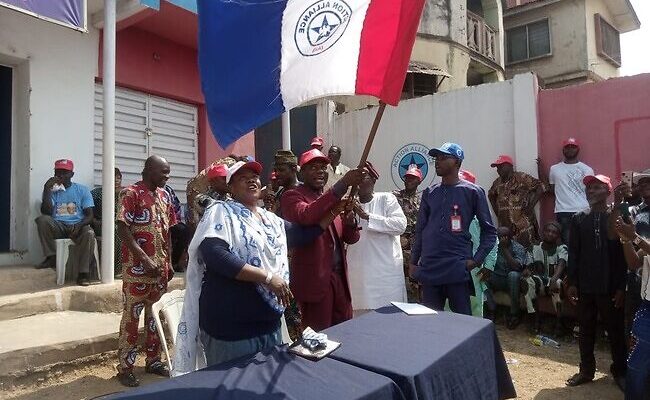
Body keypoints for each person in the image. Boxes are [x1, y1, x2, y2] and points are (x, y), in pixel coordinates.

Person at [172, 160, 340, 375]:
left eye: (254, 177)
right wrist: (268, 277)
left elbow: (302, 235)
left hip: (268, 326)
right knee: (230, 388)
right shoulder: (220, 212)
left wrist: (333, 212)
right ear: (230, 188)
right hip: (231, 329)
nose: (251, 180)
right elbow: (215, 255)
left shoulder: (270, 220)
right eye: (243, 178)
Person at [280, 149, 365, 331]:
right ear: (301, 172)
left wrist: (350, 220)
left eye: (323, 167)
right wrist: (342, 184)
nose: (320, 171)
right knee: (319, 339)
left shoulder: (330, 198)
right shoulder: (292, 196)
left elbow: (352, 238)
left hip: (339, 280)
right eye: (313, 167)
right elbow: (306, 215)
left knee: (345, 334)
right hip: (315, 284)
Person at [410, 142, 497, 315]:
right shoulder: (430, 192)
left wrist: (476, 261)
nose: (438, 162)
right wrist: (414, 262)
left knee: (461, 324)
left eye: (443, 158)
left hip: (456, 268)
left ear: (457, 162)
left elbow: (489, 232)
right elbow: (420, 230)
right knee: (430, 322)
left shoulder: (473, 192)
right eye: (436, 158)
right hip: (430, 267)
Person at [115, 155, 178, 387]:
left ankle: (153, 361)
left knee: (156, 319)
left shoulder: (165, 194)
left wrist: (169, 262)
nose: (167, 176)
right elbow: (122, 229)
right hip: (136, 272)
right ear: (149, 171)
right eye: (163, 172)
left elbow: (169, 230)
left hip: (160, 272)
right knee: (131, 319)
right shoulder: (130, 193)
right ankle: (125, 367)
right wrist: (144, 259)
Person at [565, 174, 627, 390]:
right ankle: (586, 371)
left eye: (597, 187)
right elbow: (574, 252)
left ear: (608, 191)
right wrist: (572, 282)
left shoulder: (616, 217)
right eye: (589, 188)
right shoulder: (578, 218)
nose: (591, 191)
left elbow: (623, 256)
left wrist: (621, 286)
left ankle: (620, 371)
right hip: (585, 286)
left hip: (610, 287)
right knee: (585, 329)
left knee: (616, 330)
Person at [347, 162, 407, 315]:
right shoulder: (348, 204)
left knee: (387, 322)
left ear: (373, 181)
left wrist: (367, 217)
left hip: (384, 277)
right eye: (357, 177)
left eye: (364, 177)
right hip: (358, 275)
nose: (359, 181)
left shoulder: (386, 199)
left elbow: (400, 225)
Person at [35, 159, 95, 286]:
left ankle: (83, 273)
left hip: (78, 226)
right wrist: (47, 189)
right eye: (58, 172)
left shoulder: (82, 190)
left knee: (89, 233)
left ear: (72, 174)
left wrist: (78, 226)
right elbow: (46, 212)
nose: (60, 175)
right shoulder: (52, 190)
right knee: (42, 220)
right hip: (59, 226)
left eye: (64, 172)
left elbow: (90, 216)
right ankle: (51, 257)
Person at [615, 216, 650, 400]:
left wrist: (634, 236)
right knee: (636, 367)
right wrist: (625, 239)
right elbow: (634, 263)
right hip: (647, 311)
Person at [613, 170, 650, 346]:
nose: (644, 185)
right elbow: (634, 262)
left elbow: (633, 237)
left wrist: (633, 236)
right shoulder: (634, 211)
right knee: (634, 330)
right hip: (637, 281)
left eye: (648, 181)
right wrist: (619, 202)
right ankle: (635, 370)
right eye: (641, 182)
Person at [459, 169, 499, 318]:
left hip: (474, 268)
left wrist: (488, 265)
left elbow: (492, 239)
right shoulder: (448, 210)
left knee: (474, 308)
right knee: (450, 309)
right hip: (451, 267)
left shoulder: (479, 213)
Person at [542, 137, 594, 244]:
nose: (570, 149)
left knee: (585, 242)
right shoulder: (554, 169)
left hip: (583, 210)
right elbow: (552, 189)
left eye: (573, 147)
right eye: (567, 147)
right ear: (563, 150)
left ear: (578, 150)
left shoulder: (587, 169)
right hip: (563, 211)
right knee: (568, 243)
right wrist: (541, 172)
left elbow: (592, 191)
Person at [488, 155, 544, 249]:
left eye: (501, 167)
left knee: (528, 251)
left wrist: (531, 206)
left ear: (510, 166)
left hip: (523, 225)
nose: (498, 170)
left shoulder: (521, 177)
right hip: (506, 228)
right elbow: (491, 195)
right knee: (510, 253)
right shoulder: (497, 183)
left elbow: (541, 187)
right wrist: (498, 212)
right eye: (497, 168)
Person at [522, 221, 567, 334]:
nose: (550, 234)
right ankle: (535, 319)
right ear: (543, 232)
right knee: (529, 281)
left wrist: (553, 278)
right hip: (540, 283)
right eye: (548, 231)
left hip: (554, 283)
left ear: (558, 236)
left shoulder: (561, 248)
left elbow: (562, 264)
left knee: (557, 283)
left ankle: (559, 322)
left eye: (554, 232)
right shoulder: (534, 248)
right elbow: (528, 265)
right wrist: (527, 270)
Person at [486, 226, 531, 329]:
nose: (502, 239)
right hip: (497, 278)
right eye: (500, 236)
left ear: (510, 237)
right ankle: (491, 310)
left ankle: (514, 314)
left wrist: (505, 249)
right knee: (481, 275)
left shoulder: (517, 247)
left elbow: (516, 266)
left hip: (512, 281)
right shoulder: (492, 246)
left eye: (505, 236)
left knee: (513, 275)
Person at [393, 165, 423, 302]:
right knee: (397, 278)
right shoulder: (394, 196)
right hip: (397, 245)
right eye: (407, 178)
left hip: (415, 248)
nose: (409, 181)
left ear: (419, 181)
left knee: (415, 281)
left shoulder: (423, 201)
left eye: (412, 178)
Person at [186, 156, 238, 230]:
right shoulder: (202, 199)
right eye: (224, 178)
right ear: (213, 181)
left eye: (230, 178)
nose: (228, 181)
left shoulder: (228, 197)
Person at [90, 167, 124, 277]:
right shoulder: (96, 193)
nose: (117, 180)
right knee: (116, 229)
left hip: (121, 223)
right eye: (114, 177)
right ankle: (116, 269)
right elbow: (88, 212)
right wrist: (95, 221)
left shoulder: (125, 194)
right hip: (101, 224)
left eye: (119, 177)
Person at [164, 184, 189, 272]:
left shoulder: (168, 190)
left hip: (170, 221)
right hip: (155, 222)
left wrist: (173, 221)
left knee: (185, 230)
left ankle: (174, 262)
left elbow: (176, 207)